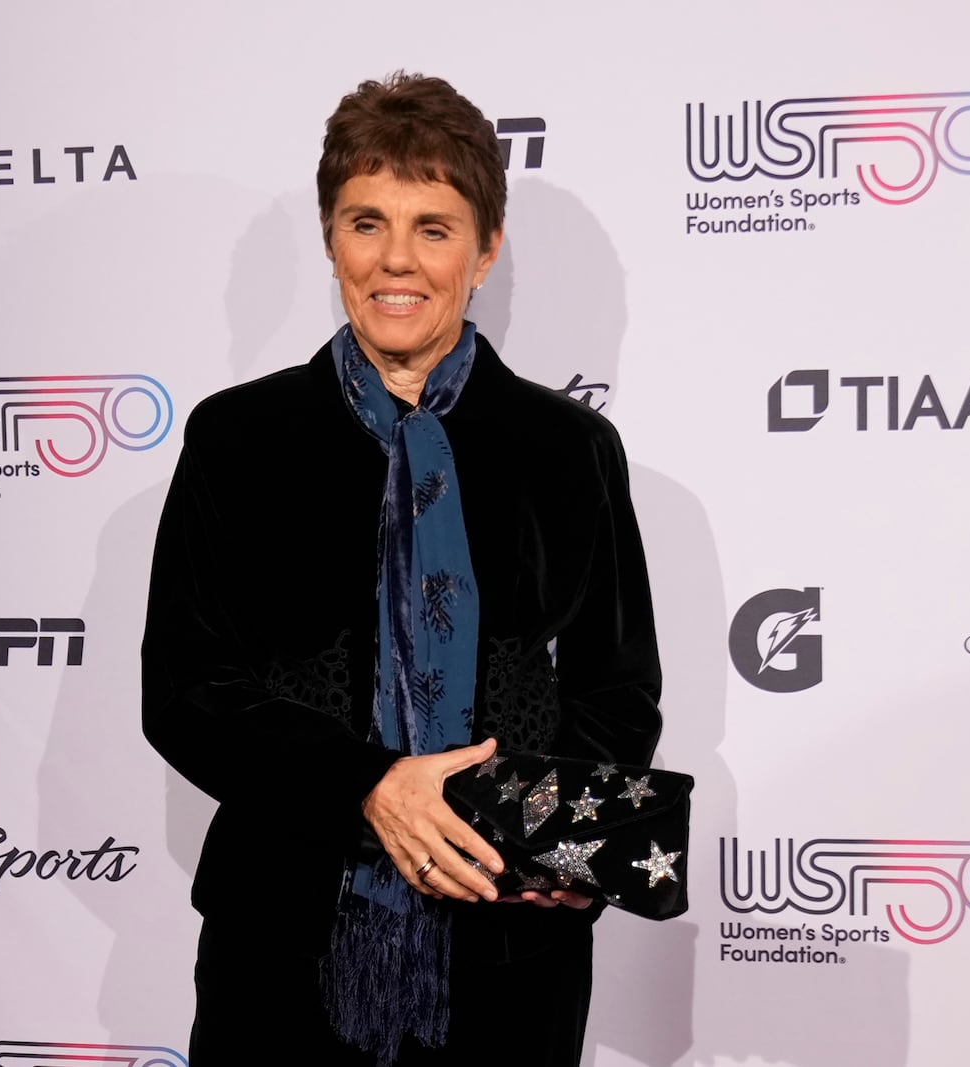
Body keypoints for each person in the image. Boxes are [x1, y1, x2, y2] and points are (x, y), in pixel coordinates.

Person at [141, 71, 662, 1066]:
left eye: (434, 226)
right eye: (366, 221)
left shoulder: (571, 448)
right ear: (331, 237)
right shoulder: (237, 438)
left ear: (485, 248)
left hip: (511, 938)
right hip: (283, 940)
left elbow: (617, 692)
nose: (396, 259)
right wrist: (371, 784)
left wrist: (488, 837)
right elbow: (186, 689)